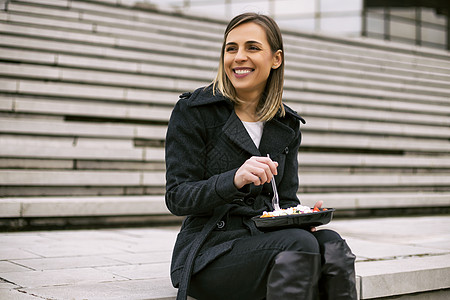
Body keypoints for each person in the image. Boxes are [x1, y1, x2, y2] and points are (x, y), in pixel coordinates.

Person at [165, 12, 357, 300]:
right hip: (209, 252)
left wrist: (303, 216)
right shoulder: (194, 112)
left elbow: (285, 201)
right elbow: (177, 197)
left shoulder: (286, 123)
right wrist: (234, 179)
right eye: (231, 48)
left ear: (276, 58)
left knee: (331, 245)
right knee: (298, 245)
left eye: (252, 48)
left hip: (264, 240)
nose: (239, 57)